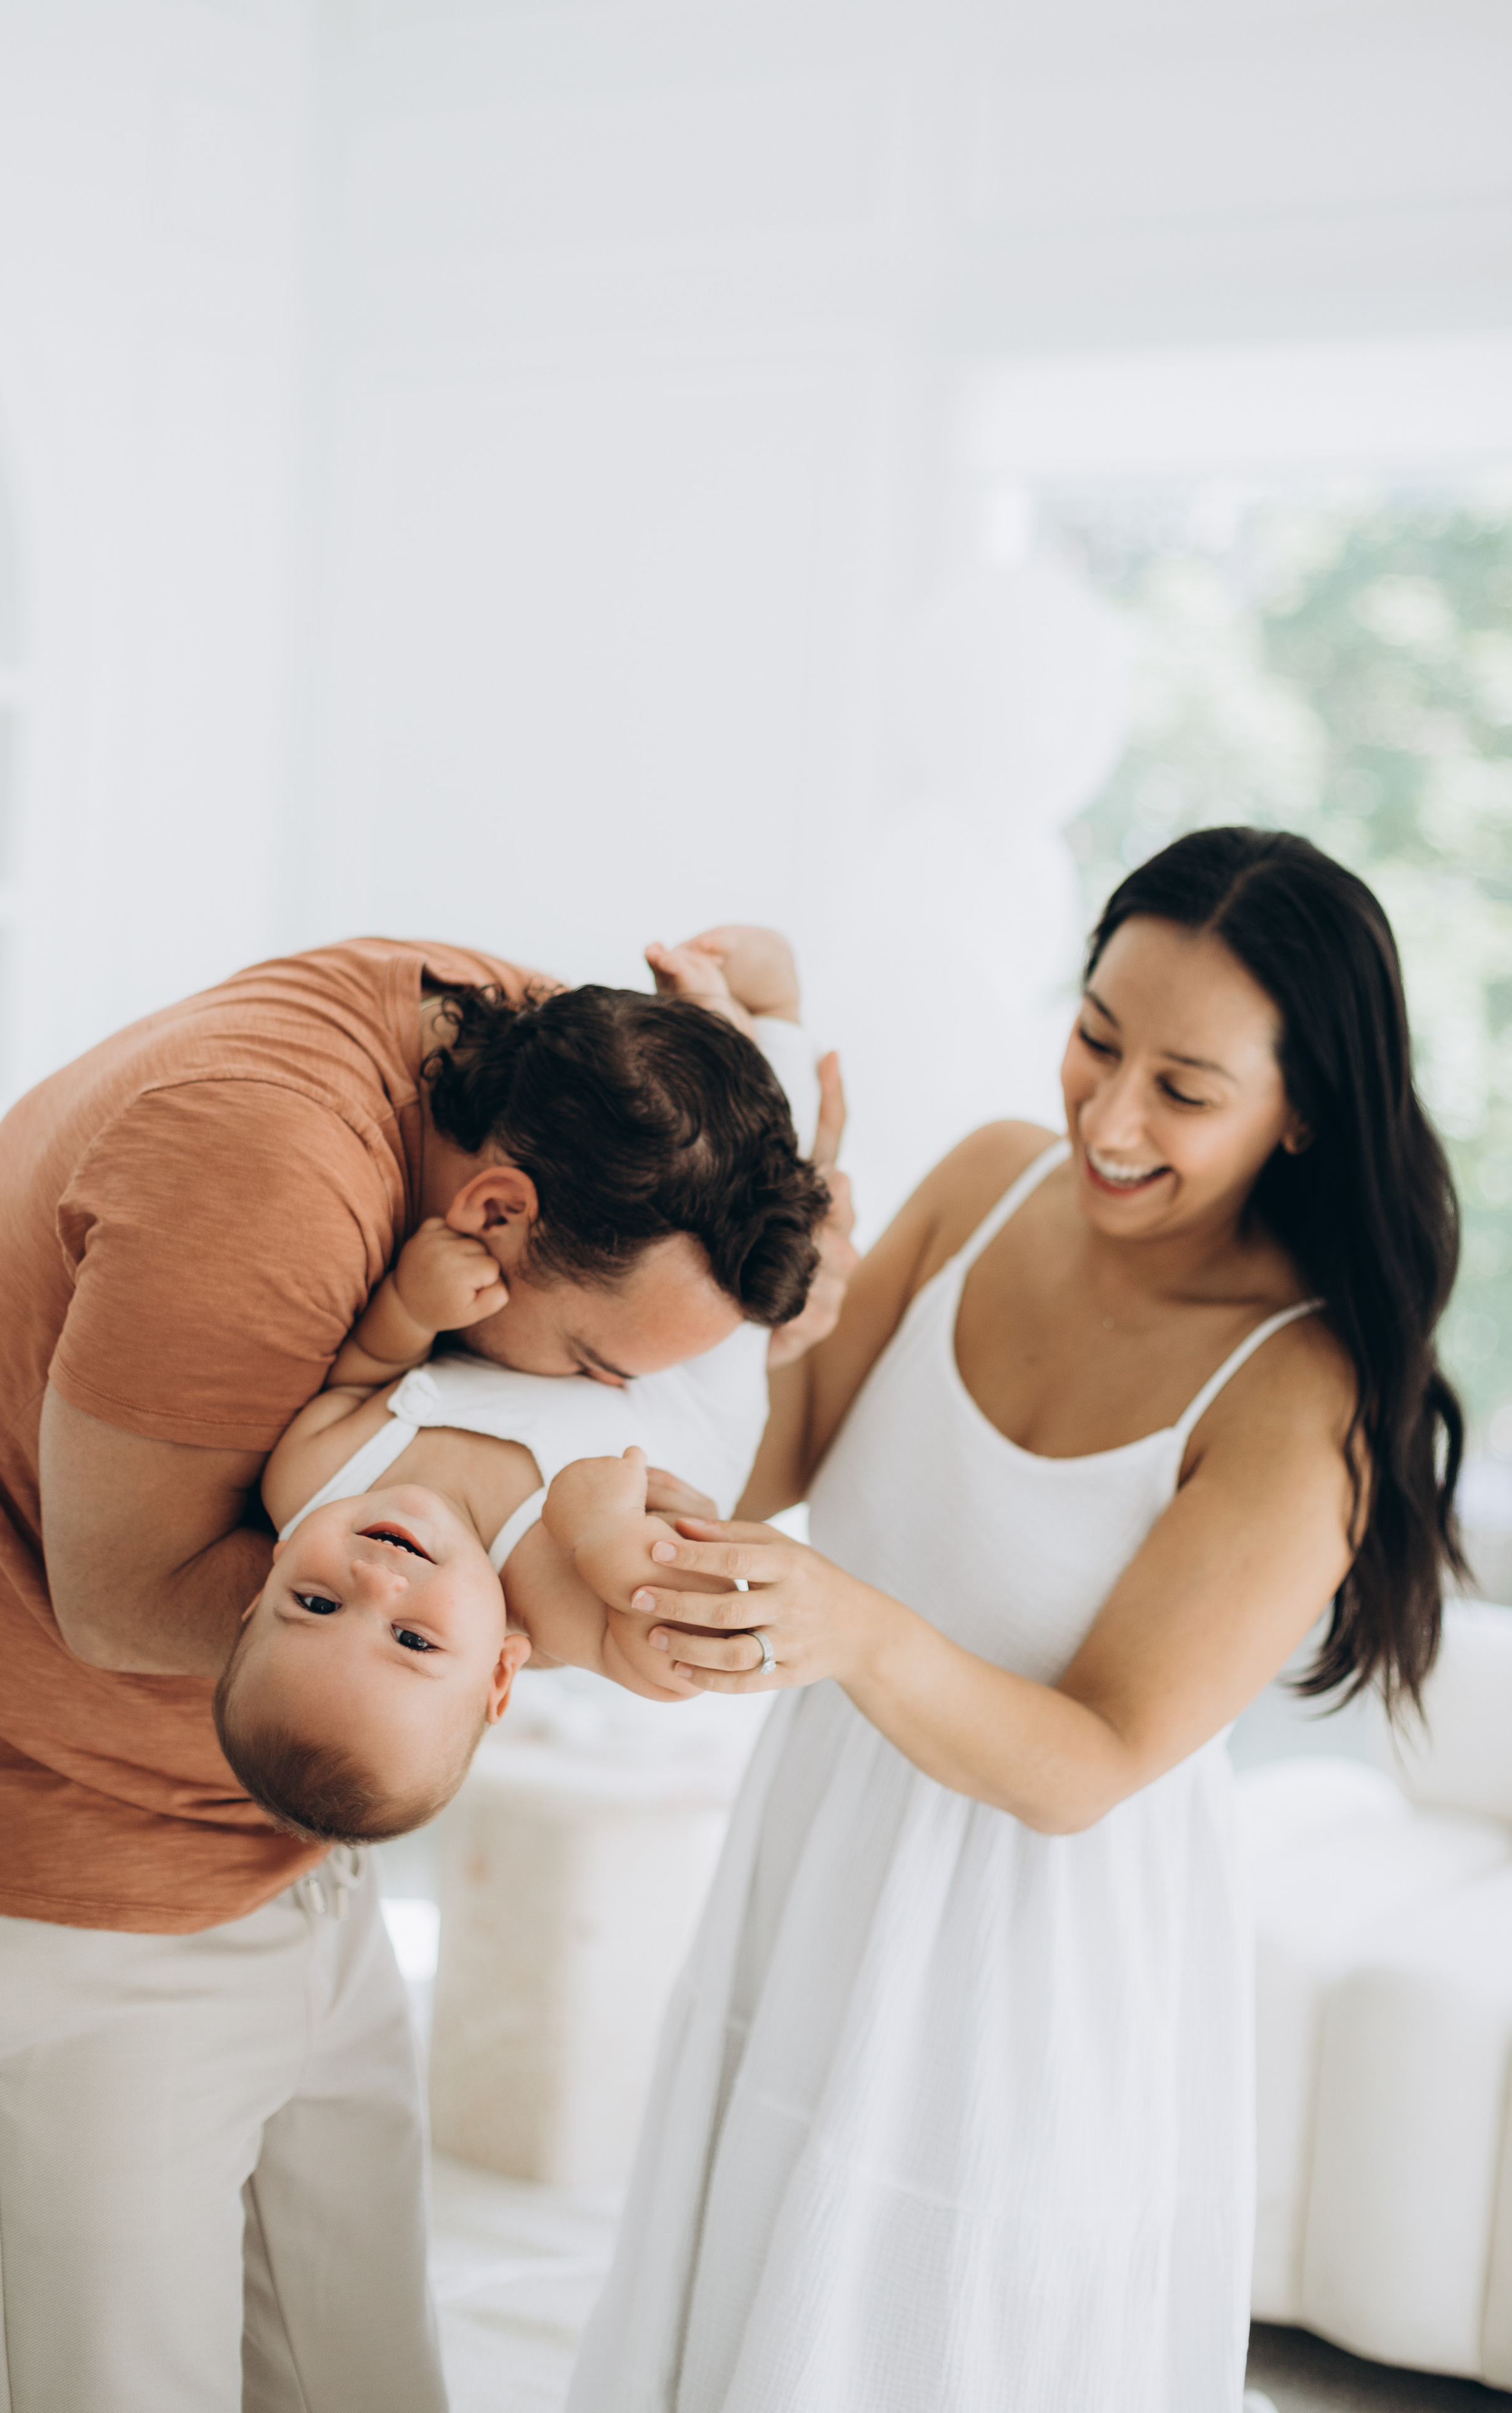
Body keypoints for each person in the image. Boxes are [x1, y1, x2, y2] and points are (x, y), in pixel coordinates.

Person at [566, 829, 1465, 2413]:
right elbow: (766, 1463)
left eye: (1183, 1089)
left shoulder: (1294, 1391)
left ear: (1302, 1109)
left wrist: (854, 1632)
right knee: (755, 2268)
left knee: (927, 2322)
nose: (1108, 1119)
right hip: (826, 1840)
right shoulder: (987, 1180)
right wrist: (779, 1253)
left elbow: (1089, 1759)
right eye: (1094, 1040)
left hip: (1032, 1950)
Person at [0, 926, 841, 2413]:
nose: (619, 1401)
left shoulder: (525, 1045)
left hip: (296, 1844)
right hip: (86, 1867)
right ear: (493, 1215)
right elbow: (129, 1598)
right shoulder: (263, 1181)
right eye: (606, 1363)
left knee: (360, 2371)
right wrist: (522, 1619)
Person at [212, 1104, 799, 1844]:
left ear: (259, 1592)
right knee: (749, 1240)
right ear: (499, 1673)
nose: (378, 1583)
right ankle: (776, 1037)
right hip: (684, 1403)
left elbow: (364, 1375)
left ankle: (706, 1087)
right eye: (414, 1642)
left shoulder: (310, 1478)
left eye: (316, 1603)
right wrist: (603, 1532)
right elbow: (674, 1665)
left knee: (672, 1190)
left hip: (592, 1337)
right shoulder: (548, 1603)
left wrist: (408, 1307)